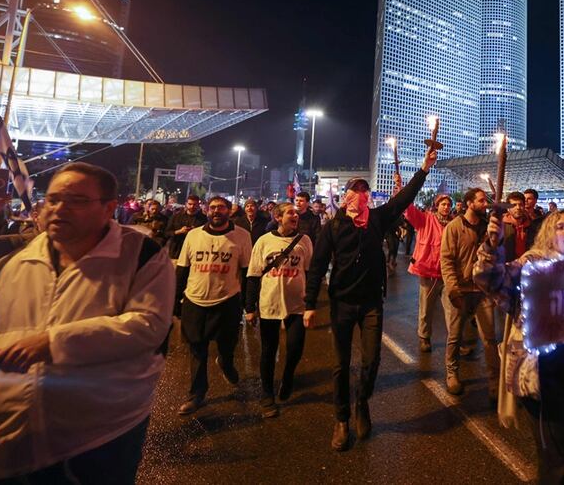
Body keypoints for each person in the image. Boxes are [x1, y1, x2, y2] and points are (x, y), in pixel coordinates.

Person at [0, 162, 174, 482]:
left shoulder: (141, 254)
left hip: (98, 439)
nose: (59, 208)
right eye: (53, 199)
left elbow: (148, 325)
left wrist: (54, 341)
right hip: (12, 438)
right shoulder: (18, 260)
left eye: (77, 200)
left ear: (109, 208)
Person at [304, 149, 435, 451]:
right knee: (340, 365)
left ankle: (362, 401)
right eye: (356, 190)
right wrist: (310, 304)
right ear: (346, 195)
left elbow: (402, 201)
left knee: (372, 360)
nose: (361, 195)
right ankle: (341, 419)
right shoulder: (333, 227)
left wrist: (424, 170)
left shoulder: (377, 219)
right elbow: (318, 266)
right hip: (342, 304)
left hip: (372, 303)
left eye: (364, 190)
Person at [474, 209, 564, 485]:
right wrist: (492, 244)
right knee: (558, 459)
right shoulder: (532, 264)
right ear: (549, 234)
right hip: (541, 373)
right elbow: (486, 277)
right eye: (559, 227)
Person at [175, 195, 253, 414]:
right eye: (212, 207)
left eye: (221, 207)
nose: (216, 211)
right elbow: (182, 268)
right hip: (195, 300)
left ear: (229, 211)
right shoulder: (193, 236)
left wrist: (249, 304)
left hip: (227, 301)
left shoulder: (242, 236)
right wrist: (175, 301)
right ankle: (197, 394)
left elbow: (247, 272)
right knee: (197, 349)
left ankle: (226, 363)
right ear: (207, 211)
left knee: (227, 344)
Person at [245, 202, 314, 419]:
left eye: (296, 213)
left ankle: (288, 376)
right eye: (290, 213)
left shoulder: (304, 241)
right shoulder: (264, 241)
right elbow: (253, 275)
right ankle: (267, 394)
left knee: (295, 348)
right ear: (278, 217)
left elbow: (311, 272)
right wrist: (250, 307)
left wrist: (310, 303)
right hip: (269, 304)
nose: (295, 215)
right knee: (268, 349)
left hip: (297, 305)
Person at [440, 187, 500, 399]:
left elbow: (495, 252)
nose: (485, 204)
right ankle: (452, 373)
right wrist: (453, 289)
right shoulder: (454, 227)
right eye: (481, 201)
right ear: (469, 203)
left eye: (486, 201)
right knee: (455, 336)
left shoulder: (487, 227)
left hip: (482, 290)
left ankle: (495, 383)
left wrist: (495, 234)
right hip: (461, 291)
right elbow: (446, 261)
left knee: (489, 339)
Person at [404, 193, 455, 353]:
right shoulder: (425, 219)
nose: (446, 207)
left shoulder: (454, 224)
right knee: (426, 308)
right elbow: (409, 210)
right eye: (443, 204)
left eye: (448, 204)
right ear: (437, 205)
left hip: (448, 274)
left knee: (452, 310)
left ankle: (454, 341)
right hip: (428, 272)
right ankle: (424, 337)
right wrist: (401, 191)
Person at [166, 194, 207, 262]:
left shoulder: (203, 219)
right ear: (186, 204)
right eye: (190, 204)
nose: (192, 206)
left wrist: (195, 231)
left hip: (194, 250)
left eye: (194, 204)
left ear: (198, 205)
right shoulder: (176, 217)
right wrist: (179, 231)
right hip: (176, 250)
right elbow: (167, 233)